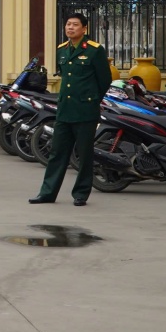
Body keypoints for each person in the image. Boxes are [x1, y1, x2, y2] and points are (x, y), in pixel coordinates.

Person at [31, 13, 111, 207]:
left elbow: (104, 80)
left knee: (84, 154)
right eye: (68, 24)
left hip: (85, 110)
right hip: (65, 110)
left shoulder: (94, 50)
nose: (70, 28)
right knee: (57, 152)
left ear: (84, 29)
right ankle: (47, 192)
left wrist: (91, 100)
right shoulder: (62, 50)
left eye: (75, 25)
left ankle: (81, 193)